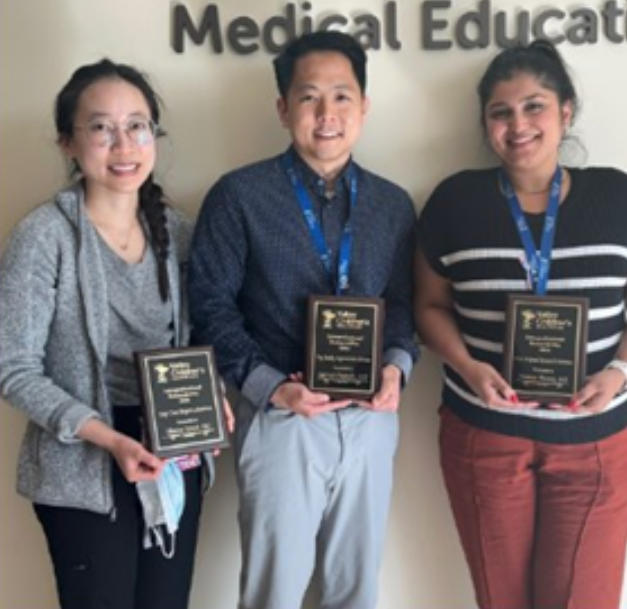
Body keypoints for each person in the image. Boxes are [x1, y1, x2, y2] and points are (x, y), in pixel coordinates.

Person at [415, 39, 627, 609]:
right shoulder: (455, 201)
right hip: (485, 436)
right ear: (486, 125)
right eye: (500, 112)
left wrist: (621, 372)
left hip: (596, 440)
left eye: (534, 105)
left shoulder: (620, 198)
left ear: (566, 112)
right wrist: (466, 364)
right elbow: (428, 307)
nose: (518, 124)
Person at [188, 30, 418, 609]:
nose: (326, 114)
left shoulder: (392, 204)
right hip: (281, 418)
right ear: (283, 107)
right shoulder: (238, 195)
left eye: (342, 96)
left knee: (356, 589)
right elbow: (211, 305)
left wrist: (396, 367)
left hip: (369, 420)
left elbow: (404, 304)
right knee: (273, 592)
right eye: (309, 96)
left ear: (364, 106)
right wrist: (271, 389)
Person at [0, 59, 232, 609]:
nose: (123, 144)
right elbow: (12, 366)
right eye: (101, 127)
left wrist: (215, 390)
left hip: (174, 452)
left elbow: (200, 334)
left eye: (138, 125)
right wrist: (108, 438)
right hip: (85, 463)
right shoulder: (44, 237)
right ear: (68, 143)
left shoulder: (177, 231)